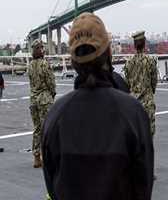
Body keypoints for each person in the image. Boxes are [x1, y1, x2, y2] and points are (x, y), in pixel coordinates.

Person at [42, 13, 153, 200]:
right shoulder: (133, 112)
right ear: (108, 53)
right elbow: (143, 183)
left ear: (72, 60)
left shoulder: (55, 115)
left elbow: (52, 185)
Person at [28, 39, 56, 168]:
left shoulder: (30, 65)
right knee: (47, 128)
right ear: (40, 49)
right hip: (45, 99)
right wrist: (52, 93)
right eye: (41, 48)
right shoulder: (45, 64)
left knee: (37, 129)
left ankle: (36, 157)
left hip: (33, 99)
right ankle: (46, 156)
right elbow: (50, 82)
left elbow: (31, 83)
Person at [124, 31, 158, 136]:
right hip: (147, 101)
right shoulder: (150, 60)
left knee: (135, 133)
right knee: (148, 133)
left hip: (133, 101)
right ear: (144, 44)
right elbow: (154, 81)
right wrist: (150, 91)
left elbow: (127, 82)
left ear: (134, 45)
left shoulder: (129, 62)